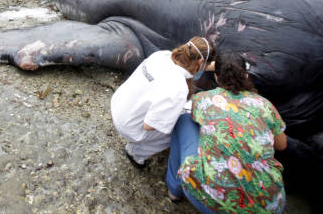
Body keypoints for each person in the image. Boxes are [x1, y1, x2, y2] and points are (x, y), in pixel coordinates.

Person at [166, 51, 287, 213]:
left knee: (184, 121)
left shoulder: (203, 99)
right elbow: (282, 145)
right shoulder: (265, 106)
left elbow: (196, 119)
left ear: (216, 78)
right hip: (271, 207)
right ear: (246, 75)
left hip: (211, 204)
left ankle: (174, 190)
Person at [111, 37, 215, 168]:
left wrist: (213, 66)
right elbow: (149, 125)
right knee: (180, 126)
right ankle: (135, 154)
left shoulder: (162, 55)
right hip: (127, 125)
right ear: (200, 61)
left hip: (118, 104)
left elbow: (193, 62)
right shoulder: (178, 88)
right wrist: (172, 118)